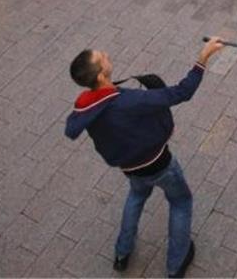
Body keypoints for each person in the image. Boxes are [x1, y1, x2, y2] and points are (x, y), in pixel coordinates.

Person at [64, 39, 226, 278]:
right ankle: (176, 264)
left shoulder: (88, 106)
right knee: (181, 202)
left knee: (137, 195)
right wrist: (203, 58)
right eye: (102, 58)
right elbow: (181, 92)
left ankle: (122, 253)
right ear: (100, 76)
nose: (107, 55)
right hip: (160, 164)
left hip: (130, 167)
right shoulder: (130, 101)